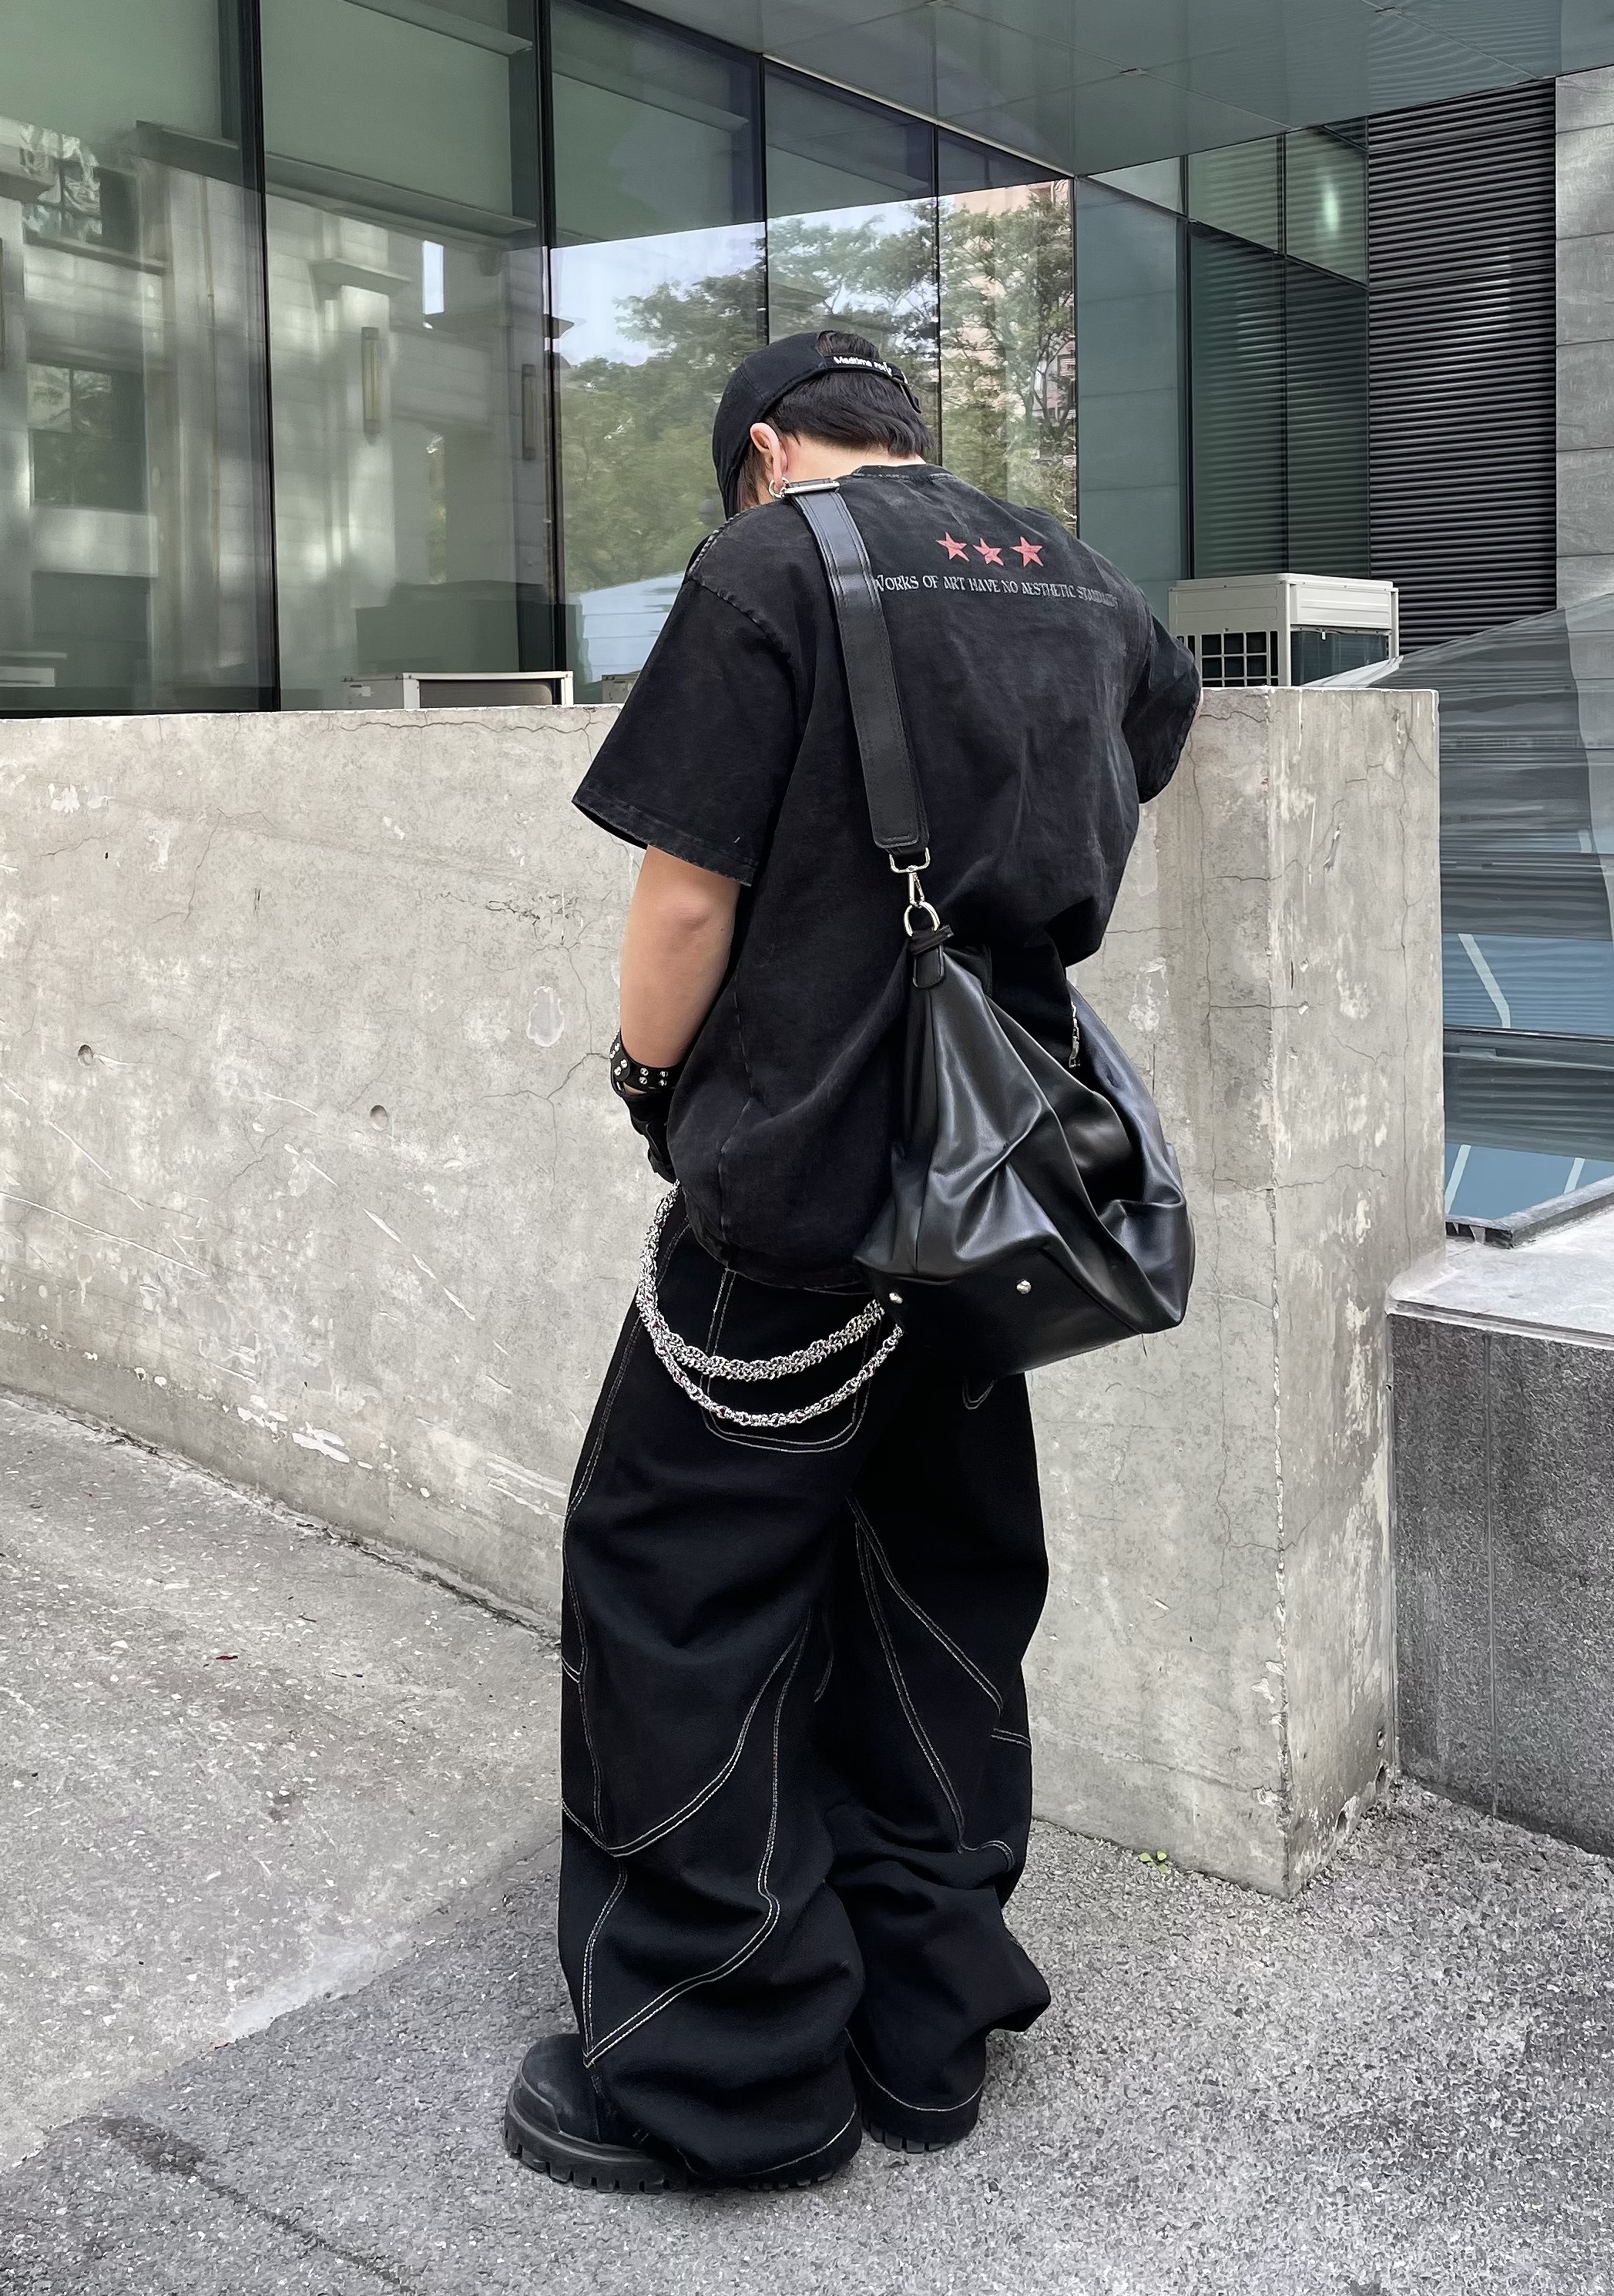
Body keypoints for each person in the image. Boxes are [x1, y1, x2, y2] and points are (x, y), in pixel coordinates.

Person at [503, 329, 1200, 2194]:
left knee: (675, 1595)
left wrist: (645, 1074)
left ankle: (727, 2074)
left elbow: (685, 893)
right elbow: (1134, 762)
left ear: (759, 448)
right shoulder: (1078, 577)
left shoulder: (765, 567)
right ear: (904, 434)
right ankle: (922, 2025)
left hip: (800, 1189)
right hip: (997, 1197)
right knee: (938, 1595)